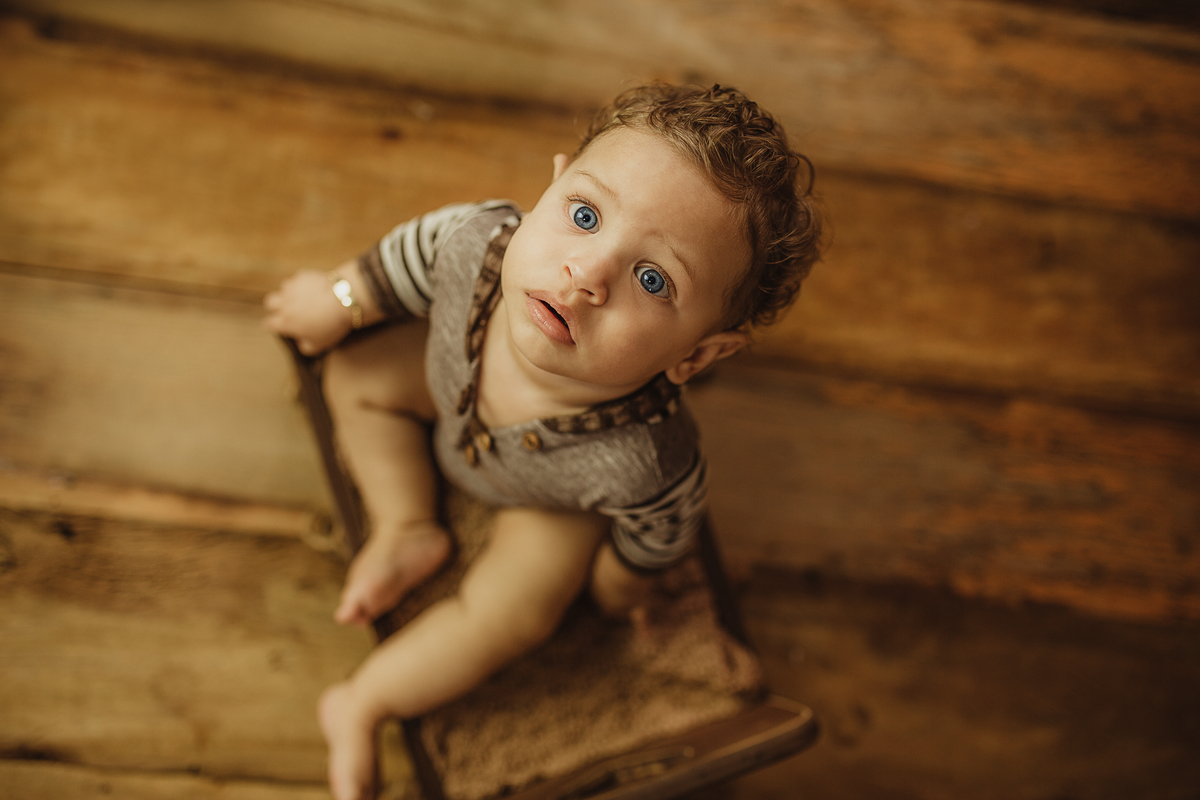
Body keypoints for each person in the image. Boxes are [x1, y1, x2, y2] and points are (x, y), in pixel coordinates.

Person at [263, 82, 821, 800]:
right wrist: (339, 300)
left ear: (698, 356)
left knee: (514, 612)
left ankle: (363, 701)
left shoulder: (645, 456)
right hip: (444, 385)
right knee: (353, 374)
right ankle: (406, 525)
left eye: (653, 279)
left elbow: (662, 528)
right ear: (551, 186)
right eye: (584, 215)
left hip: (548, 497)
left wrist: (624, 580)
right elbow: (397, 265)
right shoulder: (477, 243)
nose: (586, 274)